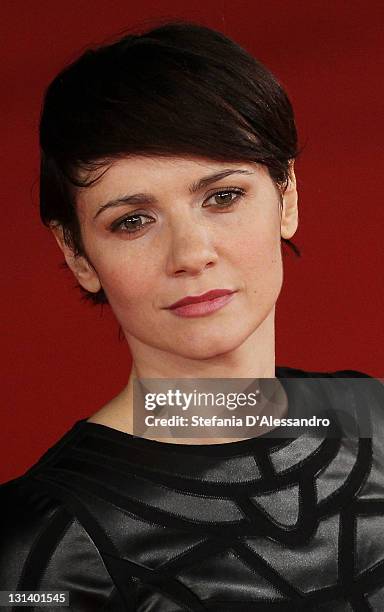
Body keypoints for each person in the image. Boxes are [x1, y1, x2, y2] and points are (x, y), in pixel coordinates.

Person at [1, 20, 384, 612]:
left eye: (223, 196)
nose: (190, 255)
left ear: (287, 199)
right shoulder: (39, 545)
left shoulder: (375, 418)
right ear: (78, 255)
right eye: (132, 221)